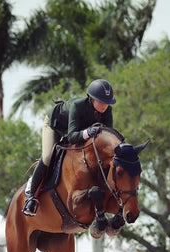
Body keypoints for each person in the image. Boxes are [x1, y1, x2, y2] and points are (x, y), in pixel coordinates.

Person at [23, 79, 117, 216]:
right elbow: (72, 136)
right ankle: (32, 195)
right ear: (91, 99)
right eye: (101, 101)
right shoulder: (77, 106)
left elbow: (108, 138)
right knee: (48, 156)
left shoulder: (107, 111)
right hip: (55, 126)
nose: (104, 106)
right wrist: (87, 133)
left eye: (107, 103)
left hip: (77, 130)